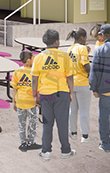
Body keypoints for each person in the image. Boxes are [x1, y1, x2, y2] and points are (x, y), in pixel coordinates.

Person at [31, 29, 75, 160]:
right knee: (62, 123)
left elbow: (34, 79)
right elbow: (70, 78)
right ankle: (66, 151)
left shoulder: (38, 57)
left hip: (45, 95)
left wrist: (35, 95)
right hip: (62, 93)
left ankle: (46, 152)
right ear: (57, 41)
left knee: (47, 123)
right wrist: (71, 93)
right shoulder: (65, 56)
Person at [66, 28, 95, 143]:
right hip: (82, 83)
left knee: (72, 110)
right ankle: (85, 136)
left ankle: (73, 133)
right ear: (82, 37)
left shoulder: (69, 49)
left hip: (71, 83)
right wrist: (92, 74)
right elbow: (86, 66)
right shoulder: (82, 48)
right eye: (85, 37)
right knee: (84, 111)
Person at [12, 50, 42, 152]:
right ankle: (31, 142)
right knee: (33, 123)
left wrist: (14, 102)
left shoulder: (17, 71)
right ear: (29, 60)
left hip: (20, 101)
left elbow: (14, 88)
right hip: (31, 102)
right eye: (33, 58)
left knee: (22, 123)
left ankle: (23, 144)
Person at [89, 24, 110, 153]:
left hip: (105, 90)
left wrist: (94, 88)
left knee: (104, 118)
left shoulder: (100, 50)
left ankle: (106, 144)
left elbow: (94, 71)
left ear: (102, 35)